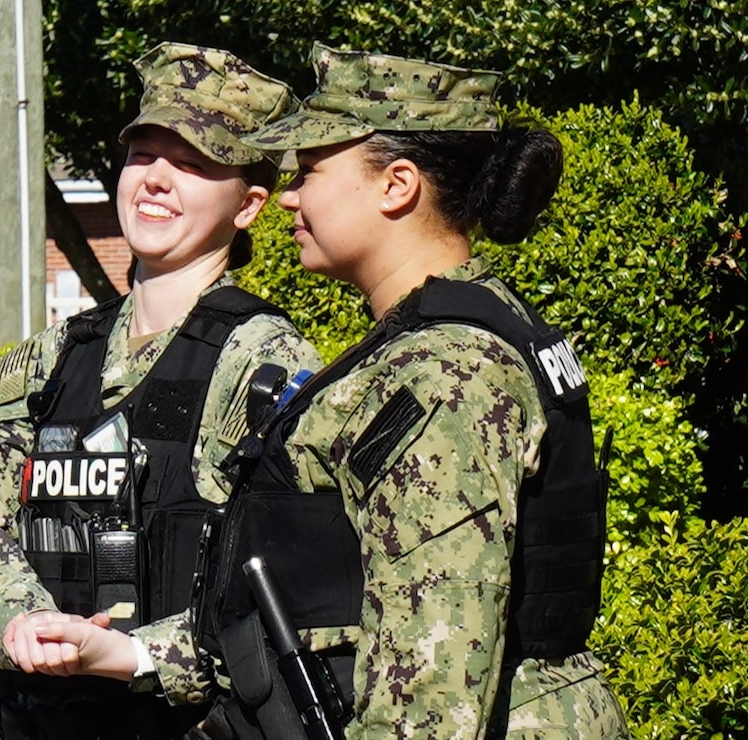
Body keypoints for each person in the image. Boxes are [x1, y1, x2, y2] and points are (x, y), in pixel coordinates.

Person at [34, 43, 630, 738]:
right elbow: (325, 601)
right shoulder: (438, 339)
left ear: (395, 185)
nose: (289, 195)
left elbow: (431, 688)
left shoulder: (443, 372)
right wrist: (131, 650)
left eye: (311, 171)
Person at [0, 41, 321, 740]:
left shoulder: (262, 361)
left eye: (193, 165)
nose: (155, 180)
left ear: (249, 205)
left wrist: (129, 655)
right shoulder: (48, 363)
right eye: (142, 155)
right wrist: (30, 625)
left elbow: (276, 591)